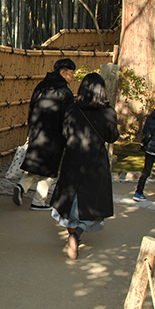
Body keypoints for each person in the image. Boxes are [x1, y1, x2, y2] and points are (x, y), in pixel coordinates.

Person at [49, 73, 119, 259]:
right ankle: (77, 234)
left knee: (72, 198)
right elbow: (112, 137)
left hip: (73, 158)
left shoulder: (73, 109)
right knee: (92, 201)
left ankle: (72, 234)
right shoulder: (108, 111)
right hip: (96, 161)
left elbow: (65, 132)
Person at [12, 58, 77, 211]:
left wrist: (30, 131)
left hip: (37, 132)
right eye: (72, 73)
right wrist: (68, 136)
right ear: (63, 72)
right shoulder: (65, 92)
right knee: (49, 171)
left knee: (35, 165)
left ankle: (21, 187)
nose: (73, 77)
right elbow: (67, 117)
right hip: (55, 137)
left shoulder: (41, 86)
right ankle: (38, 202)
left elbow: (31, 109)